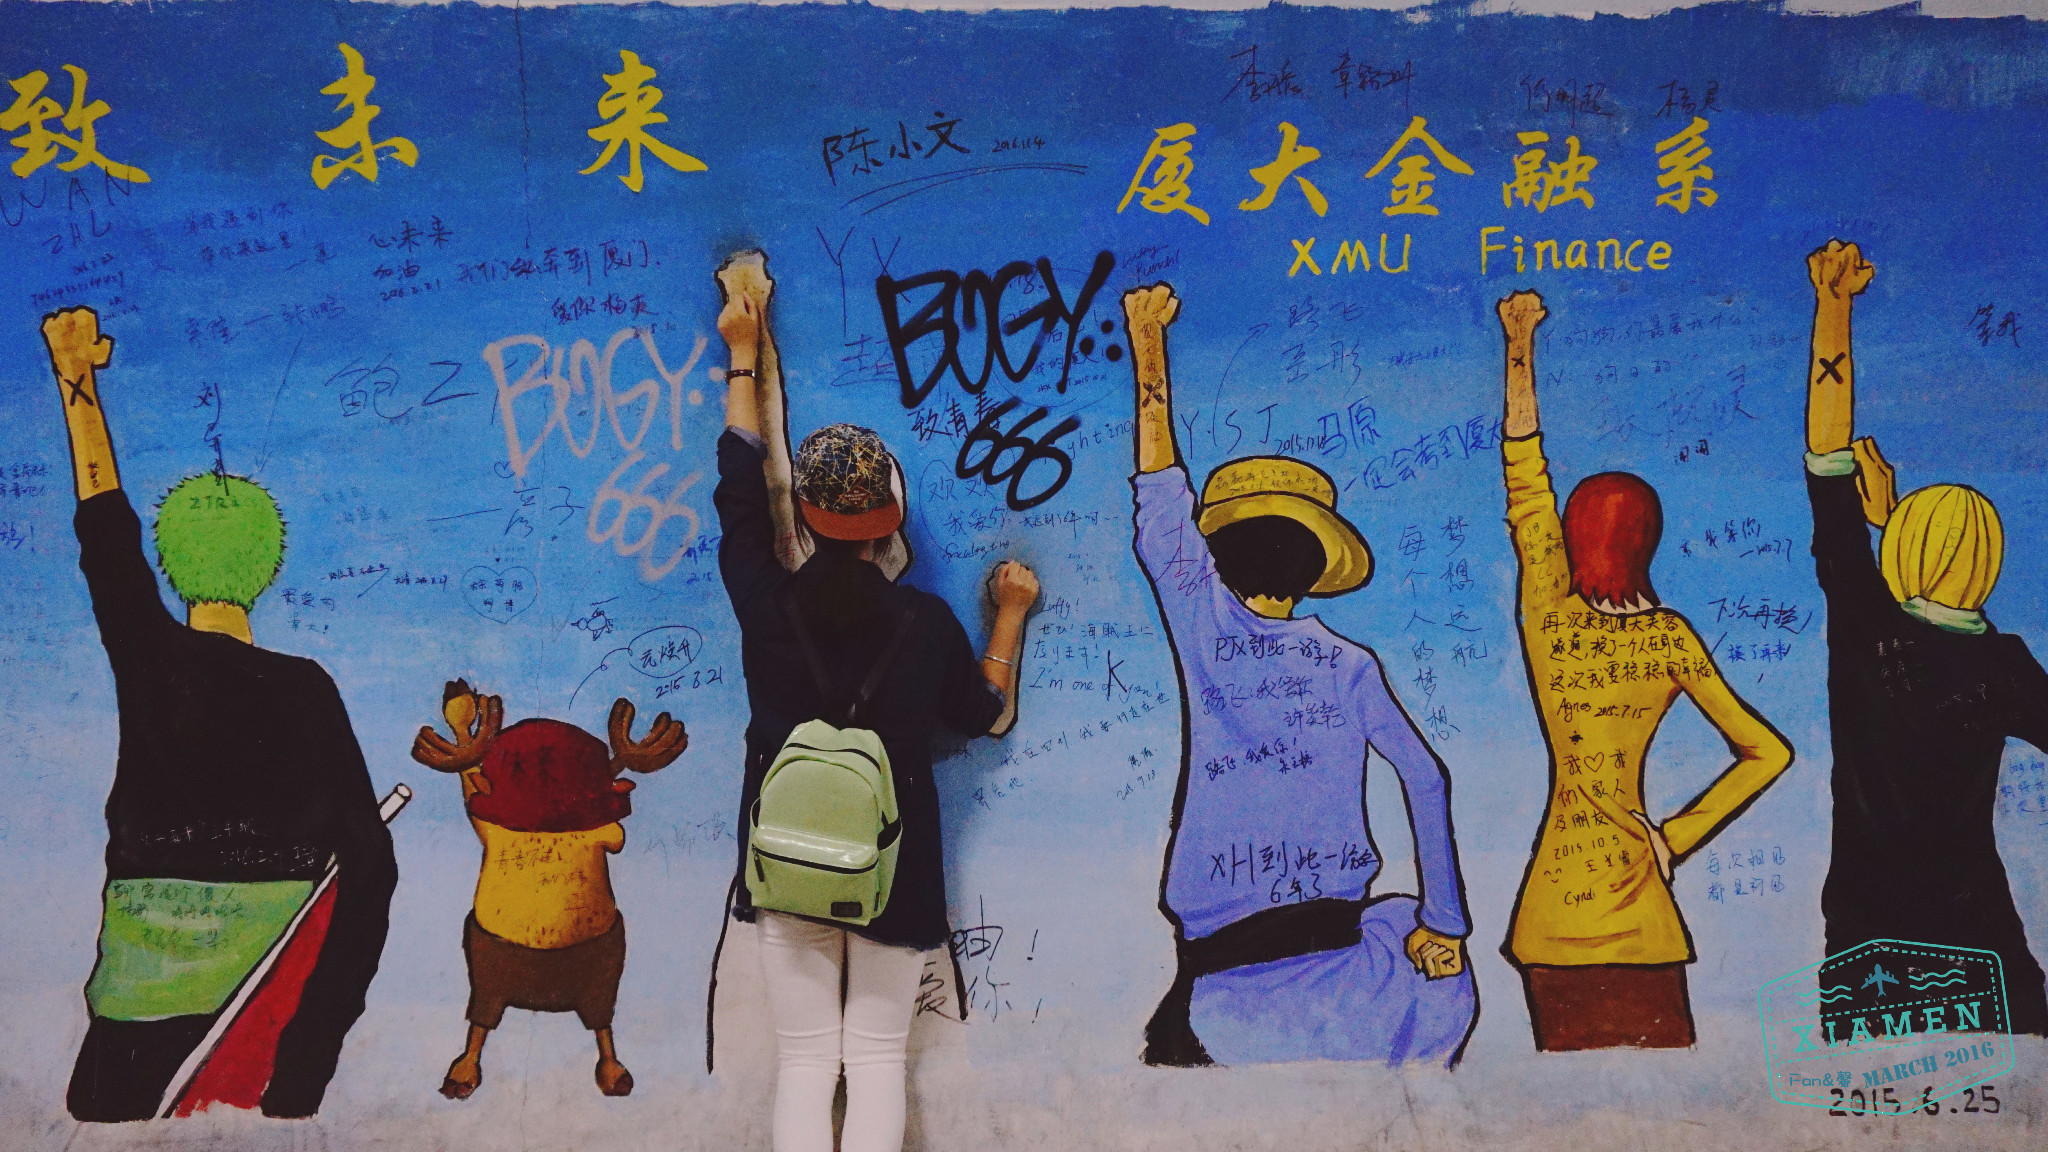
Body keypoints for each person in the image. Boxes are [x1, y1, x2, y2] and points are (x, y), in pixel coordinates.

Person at [40, 304, 397, 1120]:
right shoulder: (309, 690)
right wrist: (308, 1059)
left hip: (137, 1006)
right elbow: (370, 869)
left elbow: (105, 534)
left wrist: (75, 380)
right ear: (267, 566)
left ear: (170, 563)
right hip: (262, 1012)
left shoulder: (151, 658)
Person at [712, 286, 1038, 1152]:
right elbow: (982, 714)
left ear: (806, 521)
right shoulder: (925, 624)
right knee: (878, 1060)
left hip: (786, 854)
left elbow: (739, 492)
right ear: (889, 519)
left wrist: (742, 352)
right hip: (897, 863)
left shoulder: (763, 603)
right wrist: (1009, 614)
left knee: (805, 1060)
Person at [1122, 282, 1476, 1069]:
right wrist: (1445, 924)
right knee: (1410, 934)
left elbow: (1160, 497)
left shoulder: (1204, 627)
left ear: (1216, 558)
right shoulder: (1350, 665)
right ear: (1315, 567)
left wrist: (1149, 341)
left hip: (1219, 972)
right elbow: (1427, 776)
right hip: (1343, 963)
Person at [1495, 289, 1794, 1051]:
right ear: (1648, 541)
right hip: (1640, 910)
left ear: (1573, 537)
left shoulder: (1549, 616)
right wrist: (1674, 839)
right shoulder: (1669, 638)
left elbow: (1525, 481)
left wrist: (1519, 344)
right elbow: (1768, 752)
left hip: (1552, 915)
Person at [1800, 240, 2048, 1035]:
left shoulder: (1866, 627)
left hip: (1869, 941)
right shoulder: (2004, 666)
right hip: (1982, 940)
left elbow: (1827, 458)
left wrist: (1833, 307)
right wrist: (1900, 526)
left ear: (1900, 549)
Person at [411, 684, 686, 1100]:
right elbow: (614, 838)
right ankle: (476, 1055)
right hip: (521, 945)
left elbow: (472, 790)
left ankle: (602, 1058)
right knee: (494, 995)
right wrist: (464, 735)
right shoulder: (593, 827)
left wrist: (463, 733)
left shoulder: (502, 826)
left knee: (587, 999)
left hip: (569, 946)